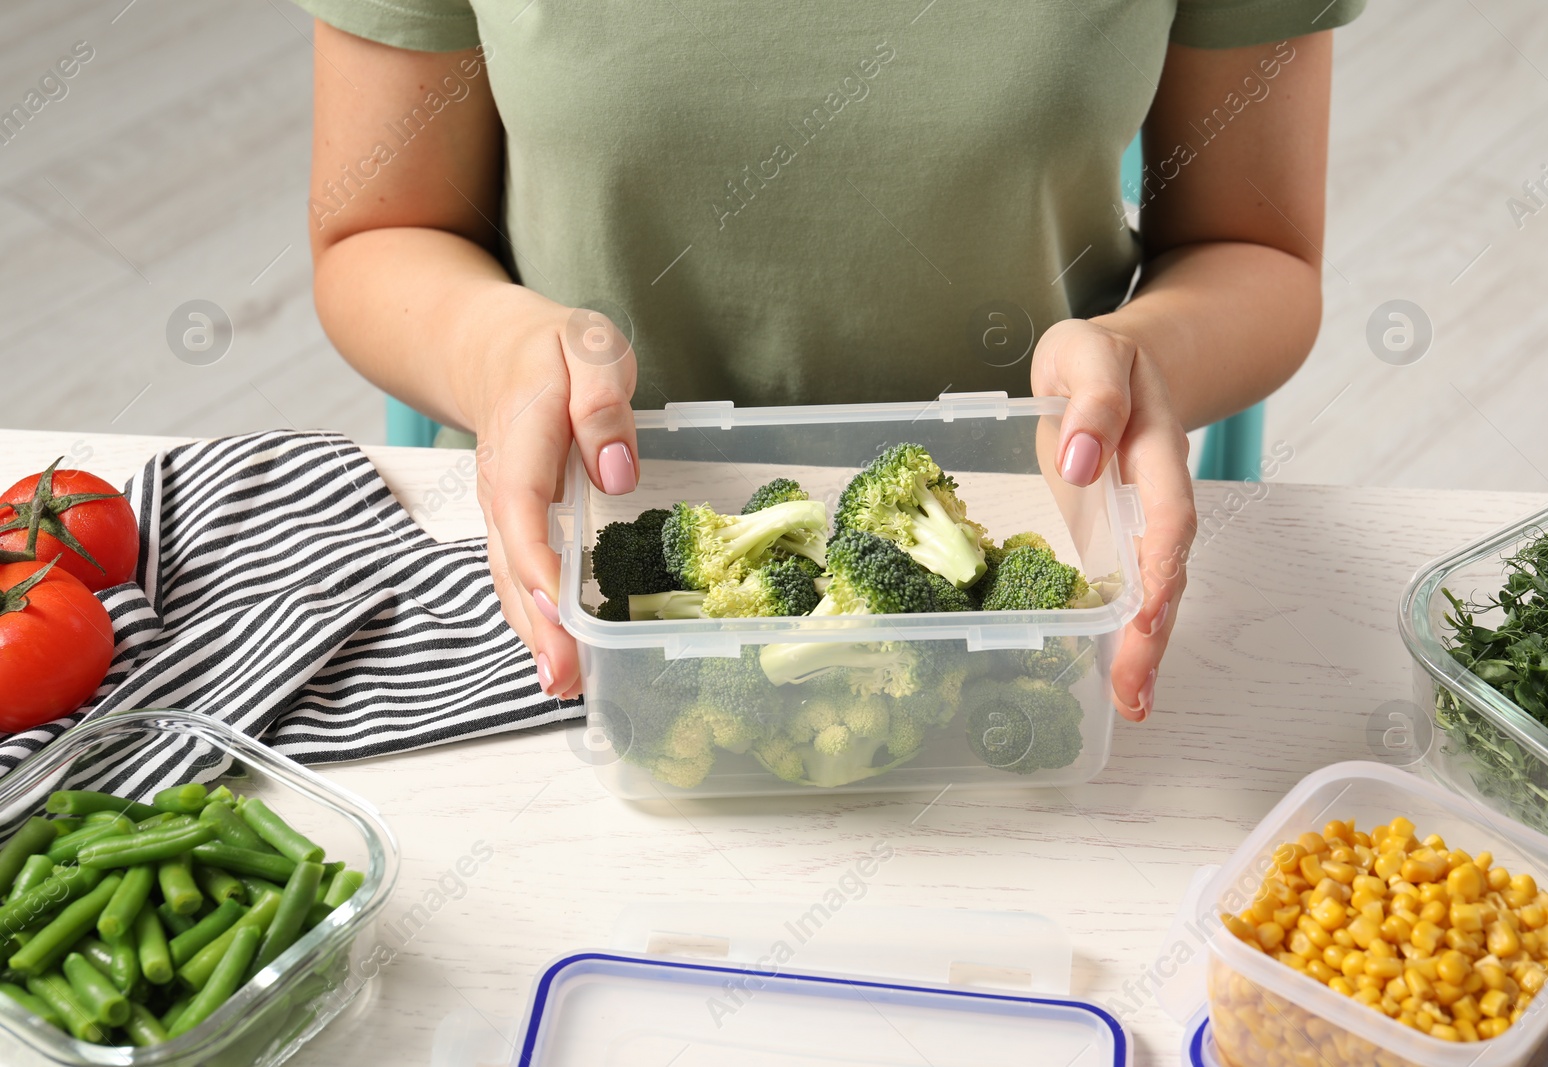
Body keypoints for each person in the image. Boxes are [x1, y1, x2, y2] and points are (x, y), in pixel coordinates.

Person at [295, 0, 1362, 719]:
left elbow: (1252, 245)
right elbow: (378, 229)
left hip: (1019, 610)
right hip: (570, 584)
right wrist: (499, 352)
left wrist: (1140, 354)